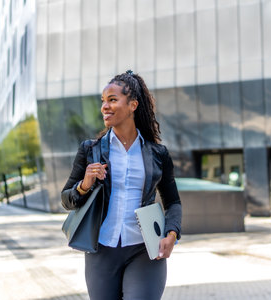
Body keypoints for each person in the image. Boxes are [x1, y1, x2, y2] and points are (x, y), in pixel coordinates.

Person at [61, 70, 182, 300]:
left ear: (133, 105)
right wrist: (84, 185)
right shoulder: (91, 150)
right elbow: (66, 199)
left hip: (145, 250)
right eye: (103, 101)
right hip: (101, 249)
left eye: (113, 100)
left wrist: (172, 234)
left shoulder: (157, 154)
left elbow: (173, 201)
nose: (105, 106)